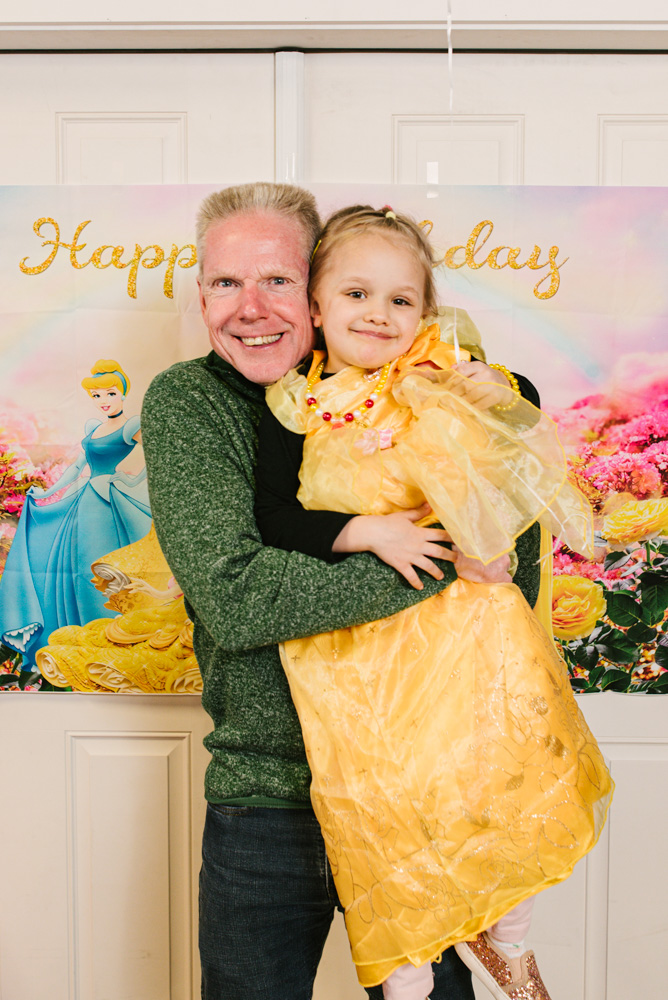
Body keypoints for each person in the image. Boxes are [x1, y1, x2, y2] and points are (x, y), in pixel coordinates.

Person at [141, 182, 545, 1000]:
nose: (251, 308)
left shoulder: (428, 385)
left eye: (277, 281)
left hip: (424, 778)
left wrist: (498, 413)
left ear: (316, 290)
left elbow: (514, 563)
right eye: (225, 282)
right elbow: (239, 596)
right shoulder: (192, 401)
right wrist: (434, 551)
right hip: (269, 800)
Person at [254, 205, 613, 1000]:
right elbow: (273, 516)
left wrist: (494, 398)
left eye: (400, 300)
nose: (377, 314)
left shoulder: (439, 376)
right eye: (356, 294)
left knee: (499, 774)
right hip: (356, 654)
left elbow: (506, 464)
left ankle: (510, 941)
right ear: (316, 307)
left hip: (461, 634)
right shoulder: (293, 404)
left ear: (425, 313)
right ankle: (408, 981)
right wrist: (366, 531)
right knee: (379, 813)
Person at [0, 359, 151, 666]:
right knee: (79, 568)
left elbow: (159, 455)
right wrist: (47, 494)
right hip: (86, 501)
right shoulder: (94, 427)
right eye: (97, 395)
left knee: (107, 568)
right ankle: (84, 640)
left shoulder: (132, 425)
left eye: (110, 393)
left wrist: (132, 481)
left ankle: (116, 641)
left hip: (109, 502)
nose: (103, 400)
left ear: (122, 393)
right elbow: (77, 467)